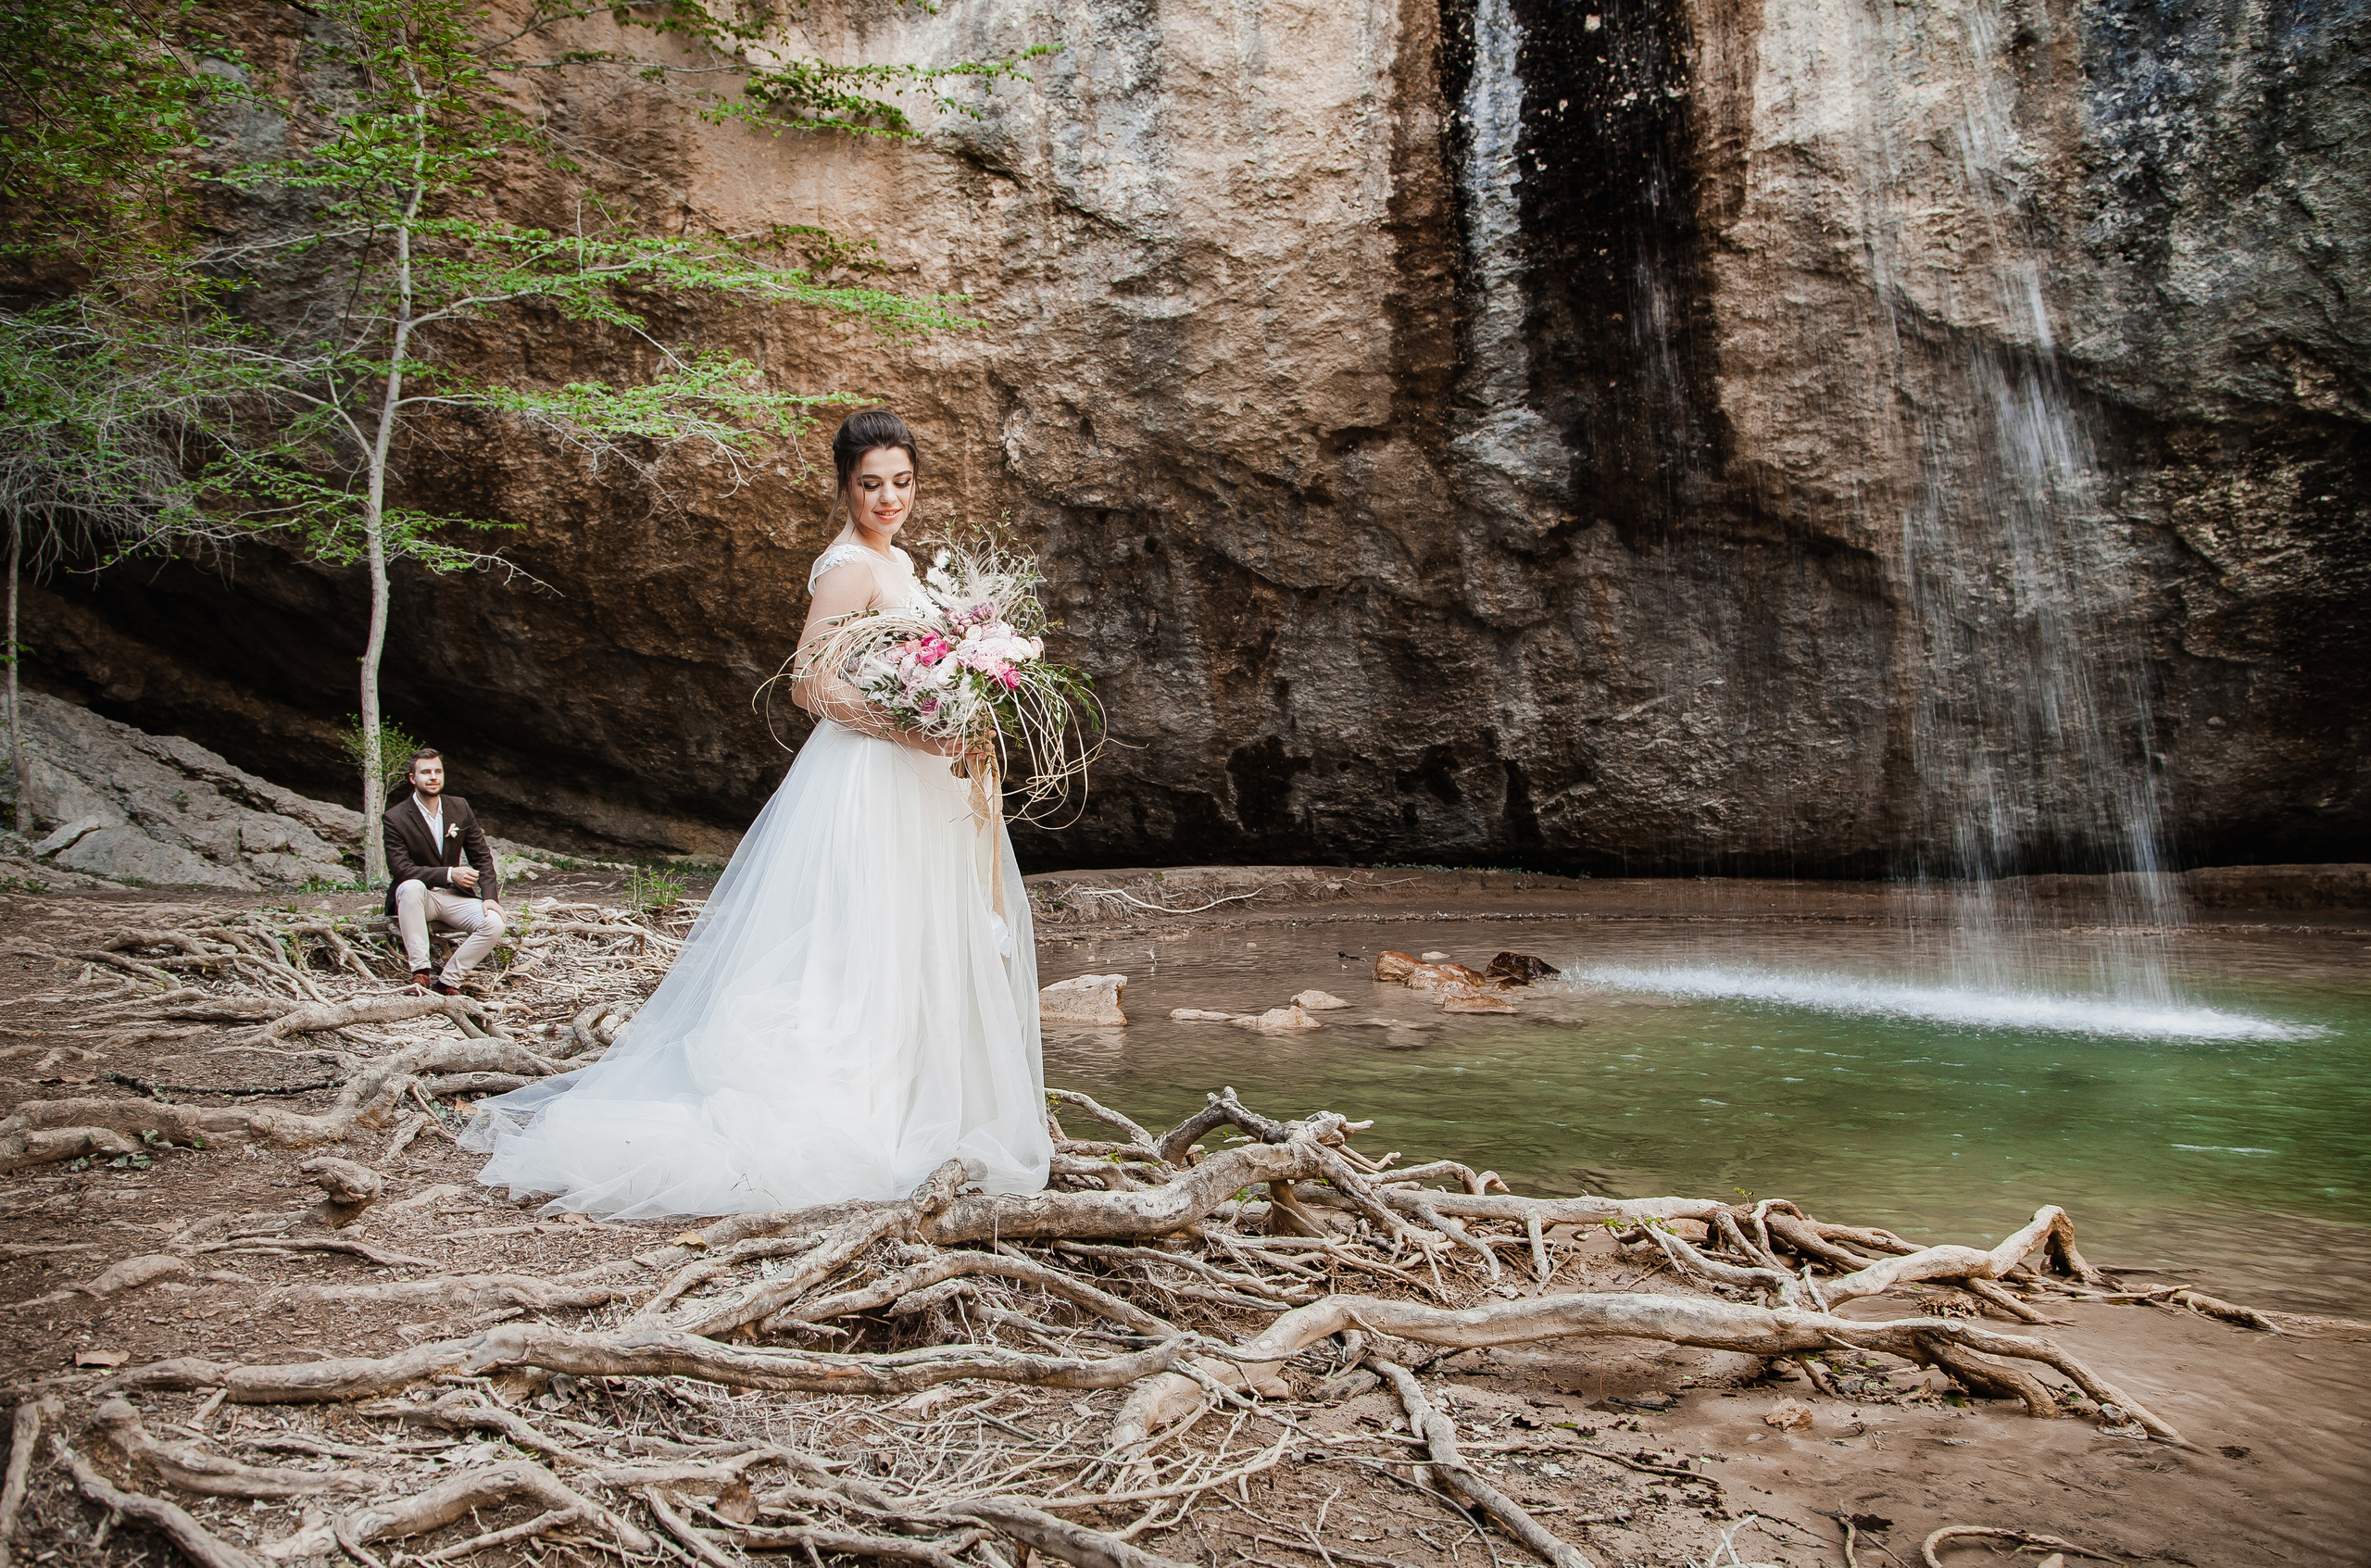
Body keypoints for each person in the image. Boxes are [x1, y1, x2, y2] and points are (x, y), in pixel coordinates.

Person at [463, 410, 1051, 1217]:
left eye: (902, 482)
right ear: (845, 485)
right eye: (871, 483)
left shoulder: (902, 562)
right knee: (863, 937)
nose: (888, 498)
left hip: (913, 773)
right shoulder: (848, 566)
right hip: (871, 773)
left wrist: (954, 711)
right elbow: (809, 684)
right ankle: (848, 1117)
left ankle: (917, 1103)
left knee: (909, 936)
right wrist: (915, 726)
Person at [384, 748, 507, 996]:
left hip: (455, 897)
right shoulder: (395, 818)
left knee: (495, 923)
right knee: (409, 886)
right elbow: (401, 869)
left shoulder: (459, 808)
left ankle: (448, 982)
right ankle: (421, 973)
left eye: (438, 771)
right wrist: (450, 873)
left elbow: (482, 857)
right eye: (426, 772)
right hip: (419, 898)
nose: (433, 777)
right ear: (412, 778)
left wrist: (490, 898)